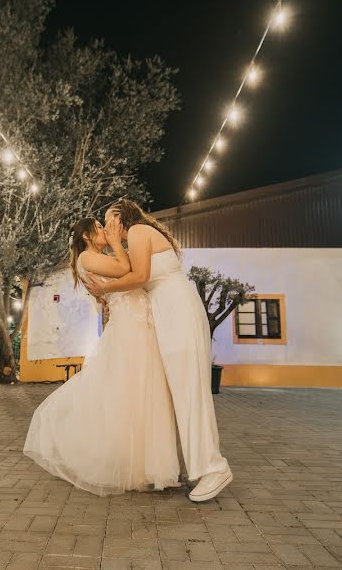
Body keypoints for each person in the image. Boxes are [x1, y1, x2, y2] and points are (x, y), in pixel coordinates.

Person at [83, 199, 233, 502]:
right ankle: (201, 467)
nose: (107, 227)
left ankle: (214, 467)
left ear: (119, 219)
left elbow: (138, 277)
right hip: (169, 311)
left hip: (177, 310)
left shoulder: (137, 231)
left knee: (190, 391)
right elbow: (136, 279)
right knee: (181, 391)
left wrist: (104, 290)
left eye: (108, 221)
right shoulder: (139, 235)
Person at [23, 216, 181, 496]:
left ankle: (143, 465)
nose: (105, 230)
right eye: (99, 227)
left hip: (135, 320)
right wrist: (115, 242)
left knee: (140, 392)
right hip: (129, 325)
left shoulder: (95, 257)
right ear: (86, 236)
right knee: (129, 389)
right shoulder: (87, 258)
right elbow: (125, 267)